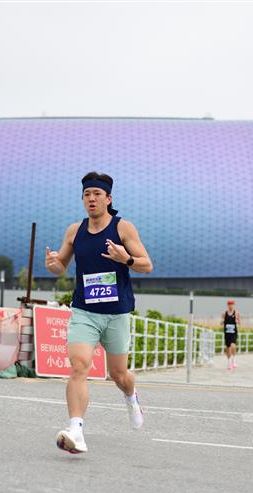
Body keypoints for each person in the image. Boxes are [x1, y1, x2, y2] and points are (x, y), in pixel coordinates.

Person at [45, 172, 153, 454]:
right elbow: (61, 267)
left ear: (108, 199)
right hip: (84, 310)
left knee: (119, 374)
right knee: (79, 366)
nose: (91, 199)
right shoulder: (74, 231)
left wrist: (125, 258)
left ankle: (131, 397)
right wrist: (53, 263)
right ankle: (76, 430)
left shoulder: (123, 228)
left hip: (116, 313)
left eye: (97, 194)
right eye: (87, 194)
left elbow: (147, 265)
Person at [222, 300, 240, 371]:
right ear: (227, 305)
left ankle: (234, 359)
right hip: (227, 332)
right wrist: (222, 321)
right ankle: (229, 362)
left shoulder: (236, 313)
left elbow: (239, 323)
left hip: (233, 332)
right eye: (229, 304)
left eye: (232, 304)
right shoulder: (224, 313)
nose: (230, 306)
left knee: (233, 345)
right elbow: (222, 321)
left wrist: (237, 321)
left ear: (234, 305)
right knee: (228, 348)